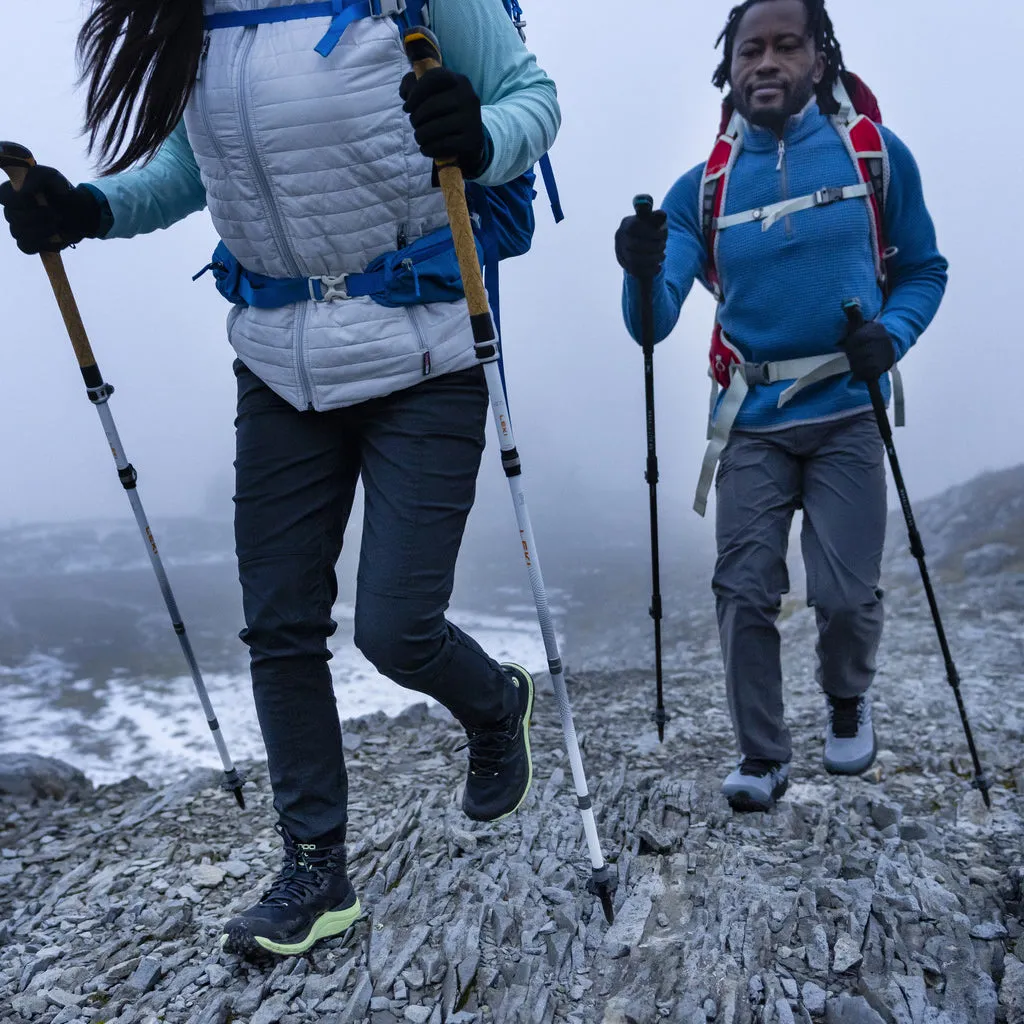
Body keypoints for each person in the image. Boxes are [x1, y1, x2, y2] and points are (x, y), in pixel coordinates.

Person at [1, 0, 559, 955]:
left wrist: (483, 135)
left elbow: (529, 98)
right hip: (274, 358)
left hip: (424, 346)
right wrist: (89, 208)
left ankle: (495, 703)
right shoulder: (197, 14)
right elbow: (189, 170)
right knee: (281, 625)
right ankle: (314, 868)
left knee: (396, 628)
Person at [614, 0, 947, 812]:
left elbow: (925, 269)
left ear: (819, 58)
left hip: (844, 411)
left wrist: (891, 335)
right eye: (750, 50)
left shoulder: (873, 157)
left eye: (785, 46)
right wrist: (637, 269)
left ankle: (845, 699)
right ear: (727, 70)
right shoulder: (704, 189)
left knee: (843, 593)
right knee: (744, 588)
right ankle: (761, 756)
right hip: (752, 419)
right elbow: (652, 324)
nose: (766, 62)